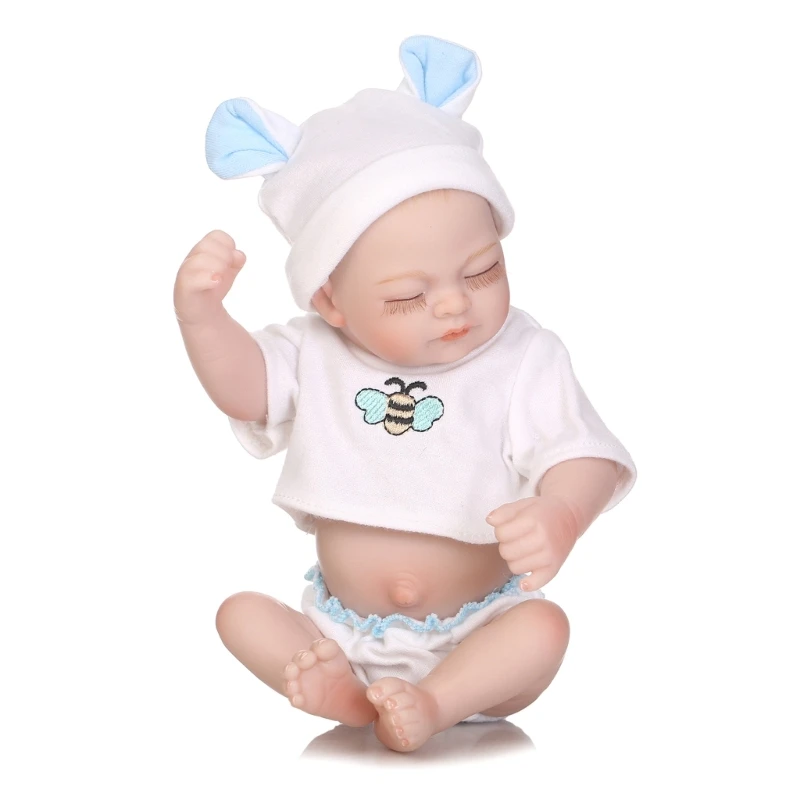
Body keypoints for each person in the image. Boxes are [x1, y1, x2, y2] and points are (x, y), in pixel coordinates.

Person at [174, 35, 636, 752]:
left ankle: (437, 699)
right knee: (240, 613)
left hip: (480, 629)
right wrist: (202, 317)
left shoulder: (520, 355)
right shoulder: (314, 352)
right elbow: (246, 391)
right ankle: (347, 695)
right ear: (330, 299)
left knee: (544, 628)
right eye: (407, 295)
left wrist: (562, 512)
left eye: (481, 271)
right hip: (336, 630)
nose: (453, 304)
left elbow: (582, 451)